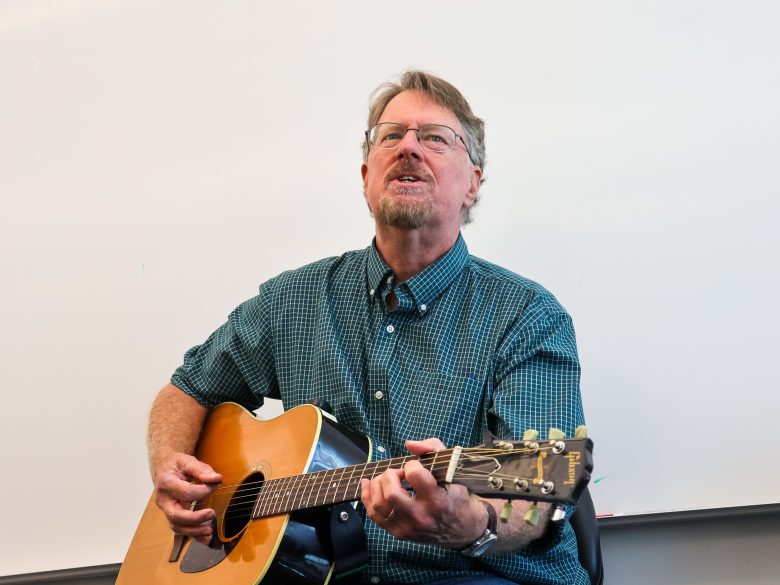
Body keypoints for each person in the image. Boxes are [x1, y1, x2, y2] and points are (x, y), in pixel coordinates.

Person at [147, 70, 588, 584]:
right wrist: (170, 468)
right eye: (390, 135)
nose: (409, 148)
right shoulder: (292, 301)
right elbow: (185, 391)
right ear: (365, 176)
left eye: (435, 138)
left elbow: (542, 489)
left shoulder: (527, 315)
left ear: (473, 182)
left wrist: (472, 522)